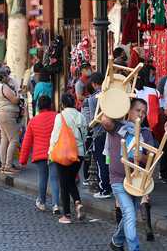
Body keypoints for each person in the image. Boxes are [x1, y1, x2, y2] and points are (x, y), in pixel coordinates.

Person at [102, 98, 155, 251]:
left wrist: (143, 158)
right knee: (130, 214)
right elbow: (105, 120)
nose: (141, 114)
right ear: (129, 111)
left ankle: (116, 242)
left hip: (137, 181)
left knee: (128, 216)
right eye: (138, 110)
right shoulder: (117, 128)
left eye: (144, 111)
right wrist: (117, 98)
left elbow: (152, 158)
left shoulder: (146, 133)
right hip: (118, 179)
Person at [49, 93, 88, 224]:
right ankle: (77, 203)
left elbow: (55, 136)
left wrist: (50, 153)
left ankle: (66, 215)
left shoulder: (60, 116)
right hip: (79, 154)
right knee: (70, 180)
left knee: (64, 184)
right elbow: (85, 134)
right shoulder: (81, 116)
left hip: (64, 153)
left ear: (62, 104)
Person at [19, 96, 60, 214]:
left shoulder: (34, 120)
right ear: (50, 105)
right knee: (54, 179)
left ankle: (41, 202)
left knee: (42, 178)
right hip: (54, 153)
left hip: (40, 155)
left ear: (38, 106)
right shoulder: (57, 117)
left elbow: (27, 142)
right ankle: (56, 204)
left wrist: (23, 160)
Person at [82, 72, 112, 198]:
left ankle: (104, 189)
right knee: (109, 161)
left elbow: (88, 122)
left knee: (101, 162)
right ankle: (111, 186)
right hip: (111, 133)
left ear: (94, 84)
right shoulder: (110, 95)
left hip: (99, 134)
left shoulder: (91, 99)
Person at [0, 68, 21, 175]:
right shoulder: (3, 86)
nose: (8, 77)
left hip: (0, 113)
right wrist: (18, 94)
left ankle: (3, 165)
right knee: (14, 139)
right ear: (2, 77)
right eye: (6, 76)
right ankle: (8, 166)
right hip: (8, 114)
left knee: (4, 139)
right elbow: (14, 100)